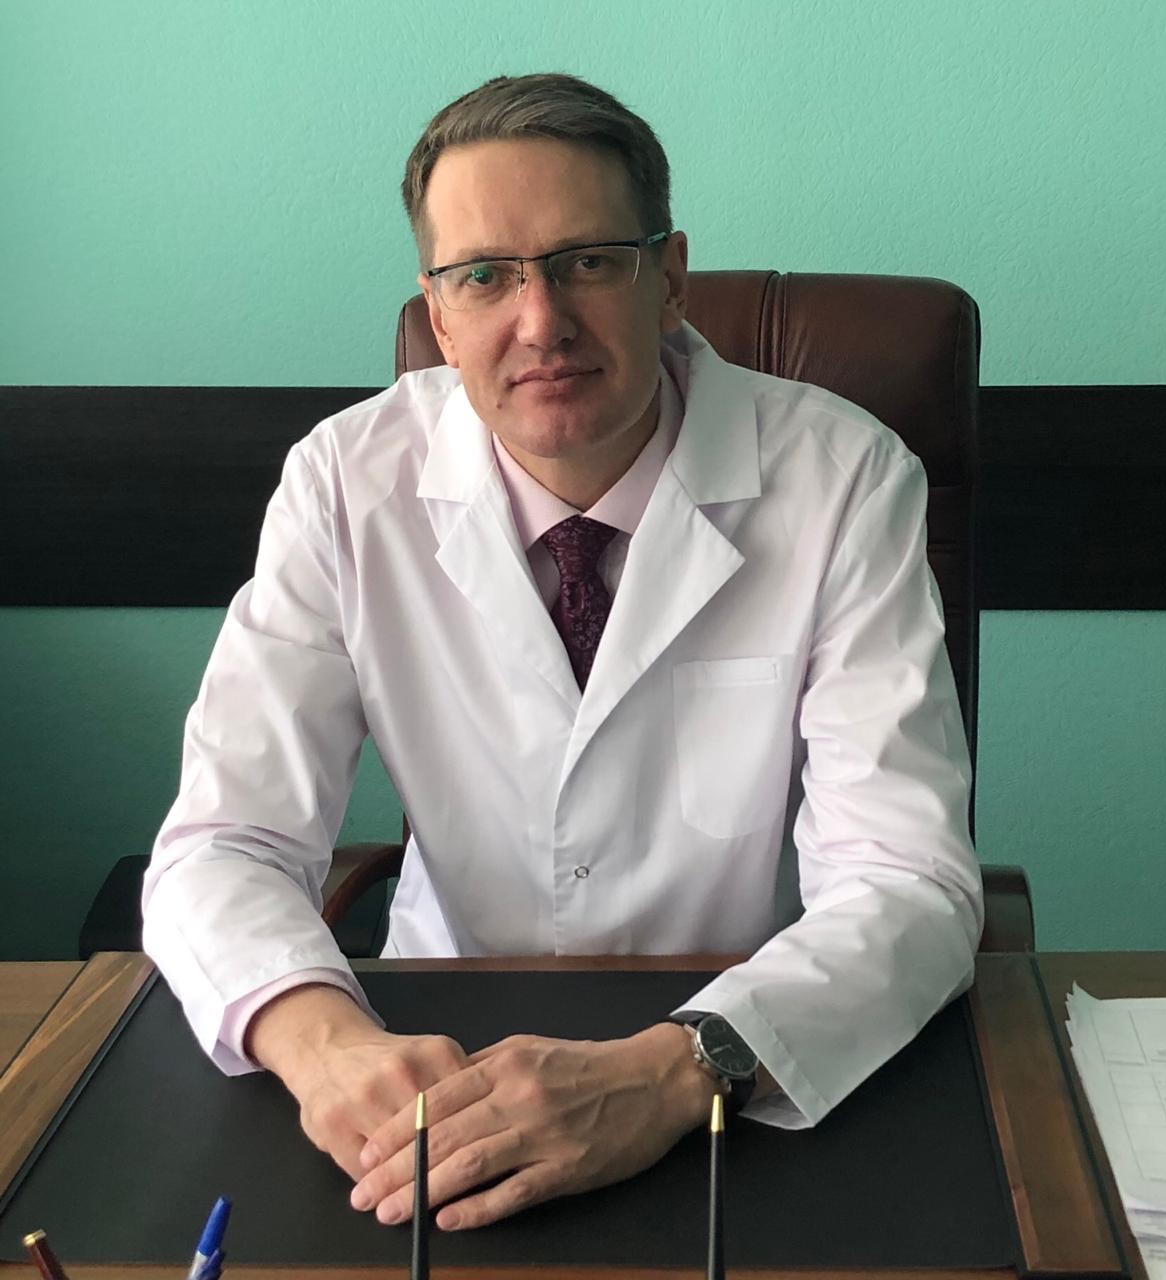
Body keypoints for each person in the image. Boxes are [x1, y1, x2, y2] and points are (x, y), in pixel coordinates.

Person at [143, 72, 982, 1233]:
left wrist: (675, 1069)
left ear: (668, 277)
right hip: (430, 1055)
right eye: (483, 275)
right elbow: (223, 841)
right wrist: (324, 1042)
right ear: (439, 315)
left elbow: (906, 877)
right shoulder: (344, 483)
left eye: (586, 260)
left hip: (736, 1055)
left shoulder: (842, 480)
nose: (539, 321)